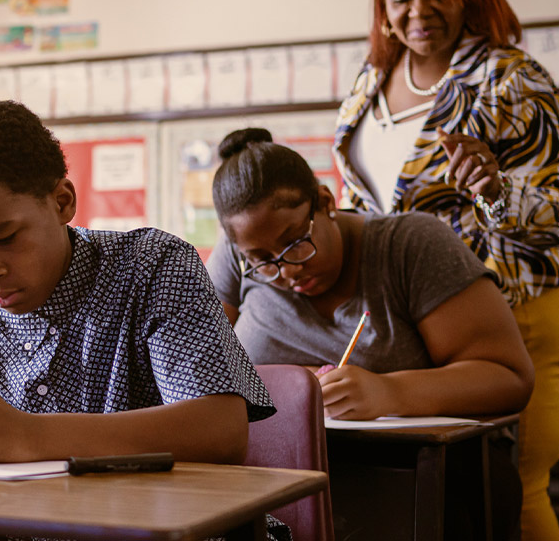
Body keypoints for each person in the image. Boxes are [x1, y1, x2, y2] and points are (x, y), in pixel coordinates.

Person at [0, 101, 283, 539]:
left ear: (62, 202)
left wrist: (26, 435)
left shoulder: (152, 267)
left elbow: (219, 431)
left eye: (5, 238)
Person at [332, 0, 559, 540]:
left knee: (512, 492)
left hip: (510, 309)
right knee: (444, 493)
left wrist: (494, 190)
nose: (419, 10)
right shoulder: (370, 83)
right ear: (384, 9)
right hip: (416, 316)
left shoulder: (510, 78)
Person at [206, 128, 533, 418]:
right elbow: (199, 371)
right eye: (263, 260)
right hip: (271, 472)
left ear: (325, 202)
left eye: (295, 242)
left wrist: (390, 392)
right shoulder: (238, 259)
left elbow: (509, 378)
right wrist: (297, 384)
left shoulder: (412, 246)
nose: (289, 270)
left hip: (404, 473)